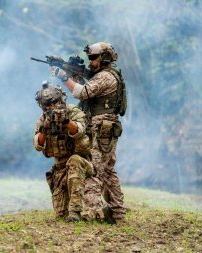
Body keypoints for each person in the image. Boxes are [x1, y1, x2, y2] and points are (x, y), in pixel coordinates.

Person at [51, 42, 127, 224]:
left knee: (93, 169)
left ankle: (93, 213)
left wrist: (62, 76)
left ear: (105, 58)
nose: (90, 61)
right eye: (89, 58)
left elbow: (82, 92)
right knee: (108, 171)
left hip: (102, 129)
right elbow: (86, 82)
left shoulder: (105, 77)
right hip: (104, 128)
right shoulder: (102, 75)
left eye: (93, 58)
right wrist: (69, 69)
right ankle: (119, 214)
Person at [33, 81, 107, 222]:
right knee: (60, 215)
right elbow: (38, 145)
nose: (52, 107)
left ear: (61, 100)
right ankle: (74, 210)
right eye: (48, 105)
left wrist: (66, 121)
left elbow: (79, 131)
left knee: (74, 160)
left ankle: (75, 211)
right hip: (61, 170)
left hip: (82, 165)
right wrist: (45, 128)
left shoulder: (73, 112)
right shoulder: (42, 120)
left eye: (55, 103)